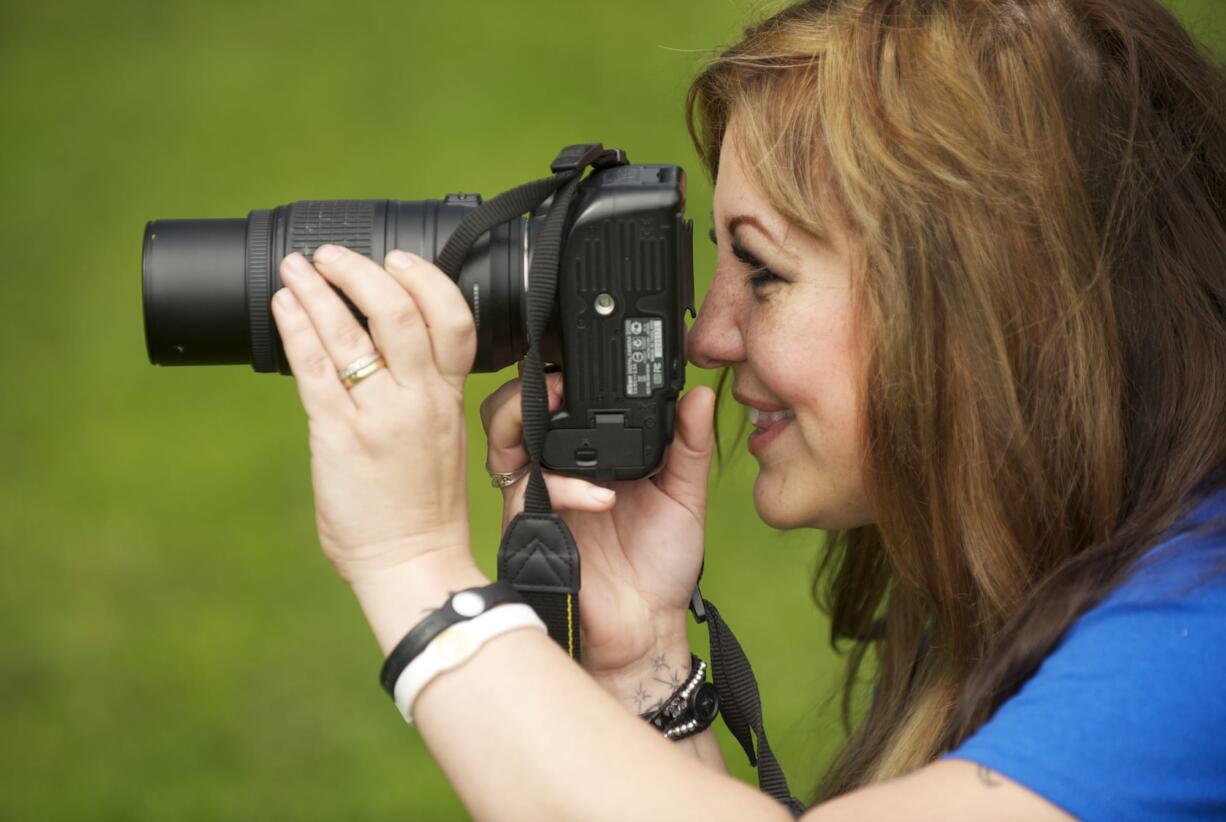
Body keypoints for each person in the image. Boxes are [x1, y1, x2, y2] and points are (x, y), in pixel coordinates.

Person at [266, 0, 1226, 818]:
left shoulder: (1199, 637)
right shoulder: (1094, 557)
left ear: (977, 303)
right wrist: (643, 659)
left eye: (762, 271)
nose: (709, 338)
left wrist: (414, 569)